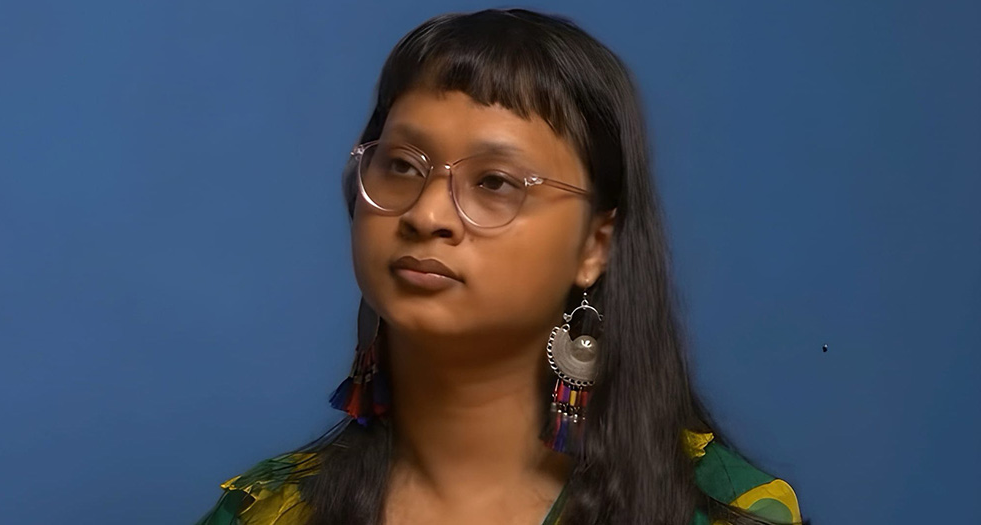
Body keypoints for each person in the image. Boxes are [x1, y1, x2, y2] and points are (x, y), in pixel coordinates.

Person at [195, 8, 803, 525]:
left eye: (494, 181)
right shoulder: (270, 511)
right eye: (402, 165)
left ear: (596, 244)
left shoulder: (725, 509)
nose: (428, 213)